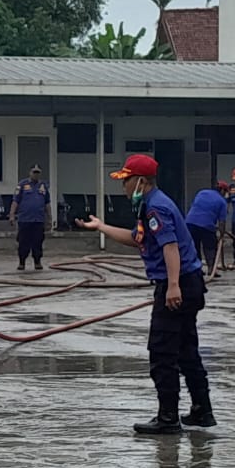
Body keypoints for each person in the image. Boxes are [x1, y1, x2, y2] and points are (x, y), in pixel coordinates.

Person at [76, 154, 215, 435]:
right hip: (189, 283)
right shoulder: (150, 206)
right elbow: (136, 238)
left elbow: (170, 247)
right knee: (186, 351)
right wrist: (101, 226)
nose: (123, 187)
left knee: (162, 352)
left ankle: (167, 418)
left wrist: (172, 286)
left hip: (178, 284)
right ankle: (202, 411)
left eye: (125, 181)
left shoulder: (156, 209)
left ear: (141, 181)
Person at [9, 165, 50, 271]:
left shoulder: (43, 186)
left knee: (38, 242)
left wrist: (49, 218)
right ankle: (22, 262)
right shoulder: (22, 184)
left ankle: (37, 262)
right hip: (25, 219)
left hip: (38, 220)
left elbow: (47, 203)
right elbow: (15, 201)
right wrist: (12, 215)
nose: (36, 174)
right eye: (34, 172)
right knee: (23, 242)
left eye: (38, 172)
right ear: (30, 172)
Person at [185, 181, 229, 269]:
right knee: (210, 247)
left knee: (194, 247)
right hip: (206, 225)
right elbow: (222, 222)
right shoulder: (222, 201)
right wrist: (222, 235)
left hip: (190, 223)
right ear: (223, 191)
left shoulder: (202, 192)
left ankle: (196, 269)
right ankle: (211, 268)